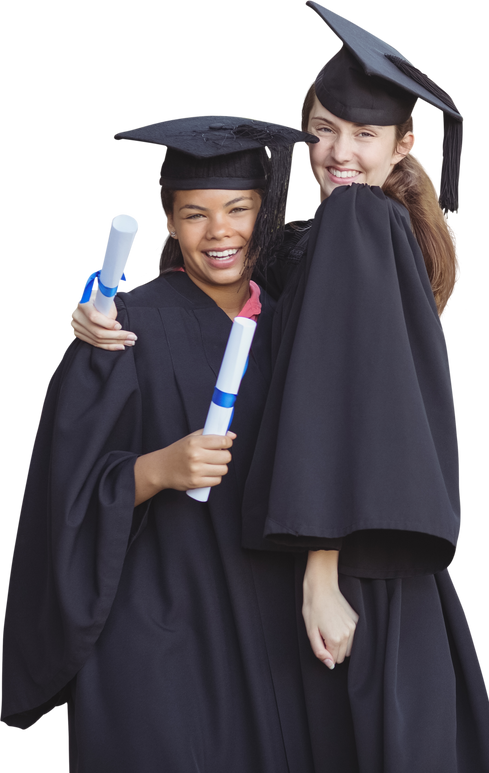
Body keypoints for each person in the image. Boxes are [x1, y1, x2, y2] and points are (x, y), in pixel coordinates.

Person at [66, 4, 489, 771]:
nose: (339, 152)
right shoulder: (358, 234)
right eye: (325, 127)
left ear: (406, 143)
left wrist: (321, 573)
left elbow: (340, 398)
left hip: (348, 563)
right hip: (383, 559)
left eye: (364, 135)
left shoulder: (357, 223)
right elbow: (222, 284)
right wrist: (91, 300)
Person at [1, 114, 318, 772]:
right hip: (160, 623)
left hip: (275, 619)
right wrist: (159, 467)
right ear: (169, 223)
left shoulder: (296, 320)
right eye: (195, 214)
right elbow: (66, 487)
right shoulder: (120, 328)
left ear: (265, 214)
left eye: (238, 209)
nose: (220, 232)